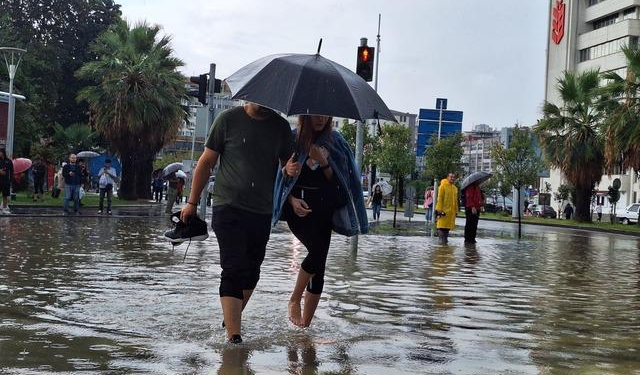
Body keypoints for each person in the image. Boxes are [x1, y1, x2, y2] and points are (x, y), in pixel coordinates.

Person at [180, 103, 295, 344]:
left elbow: (287, 166)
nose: (264, 105)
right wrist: (191, 202)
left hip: (262, 210)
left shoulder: (281, 127)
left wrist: (291, 169)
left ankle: (229, 319)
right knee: (233, 267)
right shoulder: (227, 119)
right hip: (228, 205)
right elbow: (206, 161)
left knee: (252, 272)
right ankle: (234, 338)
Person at [273, 115, 368, 328]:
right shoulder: (291, 140)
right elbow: (278, 178)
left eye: (325, 116)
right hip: (298, 210)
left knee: (319, 266)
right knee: (316, 252)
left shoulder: (336, 142)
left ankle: (304, 327)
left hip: (324, 211)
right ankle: (295, 298)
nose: (320, 120)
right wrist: (290, 193)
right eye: (316, 115)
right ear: (305, 115)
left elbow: (340, 185)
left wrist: (324, 162)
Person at [435, 173, 459, 245]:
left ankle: (444, 244)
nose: (452, 178)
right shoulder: (442, 186)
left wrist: (456, 211)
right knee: (441, 227)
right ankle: (441, 244)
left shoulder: (455, 188)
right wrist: (439, 209)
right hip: (443, 211)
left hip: (450, 213)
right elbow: (440, 198)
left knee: (447, 229)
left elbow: (455, 201)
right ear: (447, 177)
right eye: (451, 177)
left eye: (454, 177)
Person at [0, 149, 14, 214]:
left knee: (5, 195)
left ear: (3, 153)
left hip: (6, 181)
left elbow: (11, 171)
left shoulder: (8, 161)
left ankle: (5, 209)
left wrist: (11, 180)